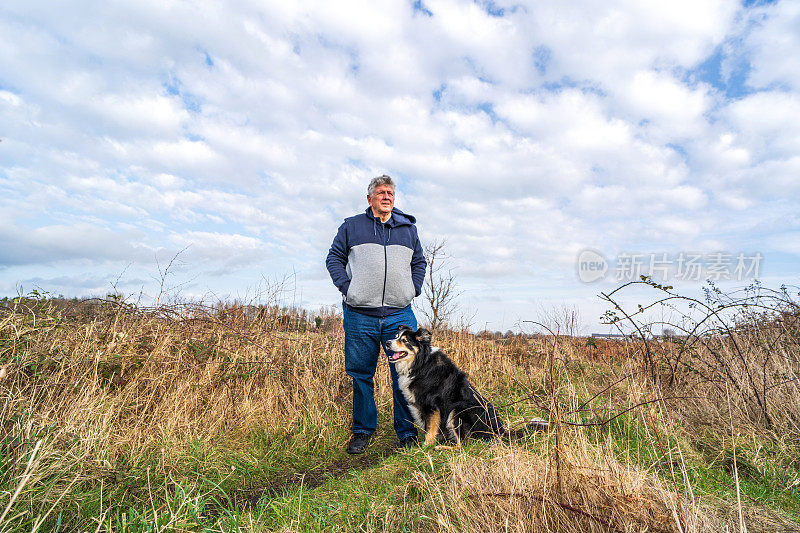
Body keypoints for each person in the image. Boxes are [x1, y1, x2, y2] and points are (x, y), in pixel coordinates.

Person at [326, 175, 427, 454]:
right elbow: (334, 258)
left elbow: (419, 262)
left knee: (404, 373)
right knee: (361, 374)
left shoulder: (407, 229)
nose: (387, 197)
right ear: (369, 198)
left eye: (391, 193)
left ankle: (407, 433)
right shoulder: (352, 226)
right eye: (381, 192)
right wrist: (349, 289)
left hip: (399, 314)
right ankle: (362, 431)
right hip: (360, 315)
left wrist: (413, 288)